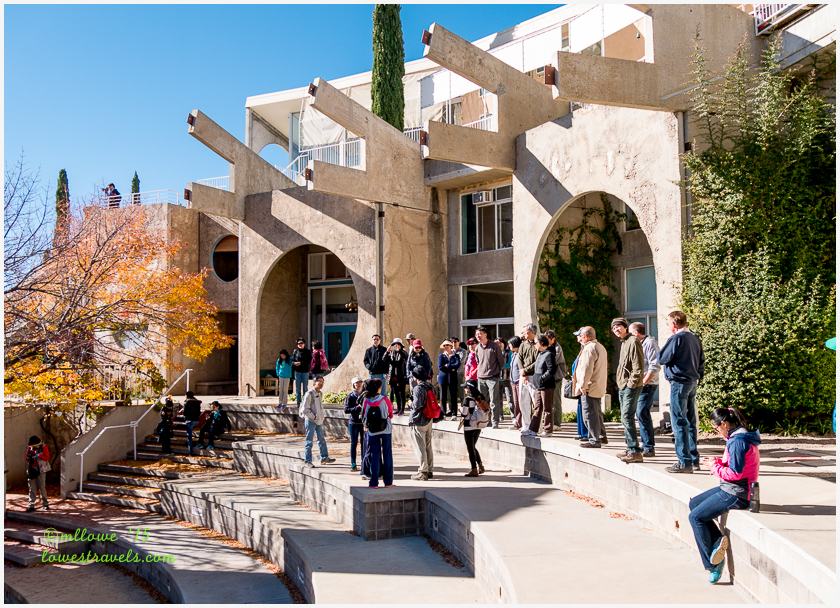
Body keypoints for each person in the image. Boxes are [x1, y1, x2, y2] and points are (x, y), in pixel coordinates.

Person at [689, 407, 761, 584]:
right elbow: (737, 465)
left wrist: (715, 468)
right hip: (732, 487)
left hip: (737, 493)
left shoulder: (737, 441)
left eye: (716, 427)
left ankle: (713, 564)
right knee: (694, 504)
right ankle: (716, 544)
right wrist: (717, 462)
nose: (716, 430)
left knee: (695, 517)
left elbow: (736, 473)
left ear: (724, 424)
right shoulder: (739, 436)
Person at [660, 310, 705, 473]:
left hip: (679, 382)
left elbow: (662, 358)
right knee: (691, 420)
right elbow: (701, 362)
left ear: (673, 323)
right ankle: (694, 459)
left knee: (679, 420)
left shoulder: (676, 338)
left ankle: (684, 462)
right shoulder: (694, 338)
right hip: (692, 381)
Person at [612, 317, 645, 463]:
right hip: (623, 385)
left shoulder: (633, 341)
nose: (616, 330)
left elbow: (638, 366)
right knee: (624, 418)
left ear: (625, 327)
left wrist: (630, 384)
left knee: (627, 416)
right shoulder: (624, 342)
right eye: (614, 328)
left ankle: (634, 451)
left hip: (630, 386)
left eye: (618, 326)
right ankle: (630, 448)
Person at [572, 326, 608, 448]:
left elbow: (586, 369)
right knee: (597, 412)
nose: (578, 339)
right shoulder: (599, 346)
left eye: (580, 336)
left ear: (586, 336)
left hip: (589, 387)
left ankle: (594, 440)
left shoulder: (589, 348)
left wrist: (583, 386)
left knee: (589, 414)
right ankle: (601, 436)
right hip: (597, 385)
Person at [630, 322, 659, 456]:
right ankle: (645, 444)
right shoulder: (639, 344)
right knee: (640, 413)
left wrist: (643, 382)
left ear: (636, 333)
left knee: (642, 412)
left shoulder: (649, 343)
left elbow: (654, 366)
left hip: (648, 385)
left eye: (631, 333)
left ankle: (649, 446)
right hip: (640, 384)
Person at [361, 378, 394, 488]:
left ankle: (373, 482)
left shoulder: (366, 400)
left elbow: (364, 416)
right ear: (377, 388)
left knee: (374, 456)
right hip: (386, 430)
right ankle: (388, 482)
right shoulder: (384, 399)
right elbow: (390, 413)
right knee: (387, 454)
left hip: (372, 432)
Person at [300, 376, 336, 466]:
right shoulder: (309, 394)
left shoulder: (320, 393)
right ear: (314, 382)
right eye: (319, 381)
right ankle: (307, 460)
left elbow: (319, 407)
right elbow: (305, 409)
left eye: (322, 382)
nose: (321, 383)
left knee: (322, 440)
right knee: (309, 441)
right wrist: (314, 417)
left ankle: (324, 458)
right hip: (310, 421)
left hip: (319, 421)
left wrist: (320, 417)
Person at [474, 326, 505, 429]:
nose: (478, 336)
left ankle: (495, 421)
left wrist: (496, 373)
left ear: (485, 334)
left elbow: (501, 362)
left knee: (493, 401)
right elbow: (478, 361)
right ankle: (486, 421)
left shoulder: (494, 346)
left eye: (480, 334)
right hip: (481, 377)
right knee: (483, 402)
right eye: (477, 334)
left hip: (492, 377)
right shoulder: (478, 347)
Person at [409, 367, 436, 481]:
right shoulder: (430, 386)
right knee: (428, 446)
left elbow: (417, 405)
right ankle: (429, 469)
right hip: (429, 418)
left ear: (416, 377)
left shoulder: (418, 388)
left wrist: (410, 403)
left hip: (419, 420)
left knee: (420, 447)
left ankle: (423, 471)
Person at [529, 334, 558, 436]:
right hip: (538, 386)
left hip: (547, 386)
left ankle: (547, 429)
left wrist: (542, 378)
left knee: (547, 408)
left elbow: (552, 370)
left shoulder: (549, 354)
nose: (534, 345)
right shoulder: (540, 354)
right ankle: (533, 429)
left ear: (541, 343)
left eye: (535, 343)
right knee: (537, 408)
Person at [460, 381, 490, 476]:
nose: (464, 389)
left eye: (465, 387)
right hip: (478, 425)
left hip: (469, 426)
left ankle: (474, 469)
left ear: (469, 388)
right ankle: (480, 466)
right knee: (473, 447)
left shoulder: (467, 399)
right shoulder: (480, 397)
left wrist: (461, 411)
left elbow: (464, 414)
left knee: (470, 448)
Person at [517, 324, 539, 436]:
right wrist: (522, 370)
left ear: (531, 332)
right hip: (523, 376)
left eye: (525, 332)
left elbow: (538, 361)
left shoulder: (538, 344)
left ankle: (536, 426)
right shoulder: (523, 344)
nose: (524, 334)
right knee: (523, 401)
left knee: (536, 402)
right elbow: (519, 358)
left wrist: (525, 371)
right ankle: (526, 425)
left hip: (533, 376)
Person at [544, 330, 567, 428]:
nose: (546, 341)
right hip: (548, 377)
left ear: (553, 339)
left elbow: (552, 361)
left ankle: (557, 423)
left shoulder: (557, 348)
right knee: (548, 401)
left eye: (548, 339)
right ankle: (550, 422)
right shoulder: (547, 347)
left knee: (556, 400)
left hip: (556, 377)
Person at [343, 377, 365, 471]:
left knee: (364, 443)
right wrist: (357, 408)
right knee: (354, 443)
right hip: (354, 422)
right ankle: (353, 463)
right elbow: (346, 410)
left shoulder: (365, 395)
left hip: (363, 422)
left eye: (360, 382)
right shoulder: (350, 396)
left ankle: (364, 462)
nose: (359, 384)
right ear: (353, 385)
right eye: (356, 383)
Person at [25, 435, 50, 512]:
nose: (32, 446)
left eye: (33, 445)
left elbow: (47, 457)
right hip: (32, 469)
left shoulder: (44, 447)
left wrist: (38, 455)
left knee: (42, 487)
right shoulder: (30, 447)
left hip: (41, 470)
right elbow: (26, 457)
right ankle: (31, 505)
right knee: (32, 488)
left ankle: (45, 504)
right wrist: (29, 457)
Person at [384, 338, 408, 414]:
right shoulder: (392, 353)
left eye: (398, 344)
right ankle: (398, 408)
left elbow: (405, 358)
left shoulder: (403, 353)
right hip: (393, 376)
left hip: (401, 376)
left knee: (402, 393)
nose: (396, 346)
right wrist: (387, 350)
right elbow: (384, 359)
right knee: (396, 393)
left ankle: (402, 409)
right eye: (395, 344)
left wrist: (400, 349)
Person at [437, 340, 461, 418]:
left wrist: (448, 365)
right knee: (443, 396)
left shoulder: (455, 356)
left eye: (448, 345)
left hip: (453, 378)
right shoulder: (441, 356)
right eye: (444, 345)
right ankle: (443, 412)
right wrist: (451, 367)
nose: (446, 346)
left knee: (453, 396)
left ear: (451, 346)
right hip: (443, 378)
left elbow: (457, 365)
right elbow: (440, 367)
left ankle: (454, 413)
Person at [496, 337, 515, 413]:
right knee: (498, 399)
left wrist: (499, 365)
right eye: (497, 343)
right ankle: (500, 415)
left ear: (504, 343)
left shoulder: (509, 352)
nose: (499, 344)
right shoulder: (494, 352)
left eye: (500, 342)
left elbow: (509, 364)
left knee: (509, 398)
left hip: (507, 378)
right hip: (497, 378)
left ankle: (513, 415)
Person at [291, 338, 312, 405]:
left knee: (305, 388)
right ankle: (298, 402)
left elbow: (309, 361)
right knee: (298, 388)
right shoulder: (295, 351)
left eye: (301, 343)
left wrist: (300, 363)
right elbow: (292, 360)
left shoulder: (307, 351)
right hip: (297, 372)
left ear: (304, 344)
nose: (300, 344)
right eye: (299, 343)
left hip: (305, 371)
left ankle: (305, 402)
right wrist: (294, 363)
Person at [508, 336, 523, 429]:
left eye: (510, 344)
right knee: (516, 403)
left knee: (520, 403)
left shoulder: (520, 355)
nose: (509, 346)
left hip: (519, 382)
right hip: (513, 382)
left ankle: (520, 422)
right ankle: (518, 422)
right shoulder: (513, 354)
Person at [182, 391, 202, 456]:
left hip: (189, 420)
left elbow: (185, 412)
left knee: (189, 436)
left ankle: (190, 452)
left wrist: (184, 415)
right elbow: (199, 412)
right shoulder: (197, 402)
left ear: (187, 395)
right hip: (196, 420)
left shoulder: (187, 402)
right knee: (191, 434)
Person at [452, 337, 468, 409]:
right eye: (452, 342)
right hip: (451, 374)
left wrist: (450, 364)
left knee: (461, 391)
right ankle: (453, 409)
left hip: (459, 373)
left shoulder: (463, 351)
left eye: (455, 341)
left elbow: (461, 361)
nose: (453, 343)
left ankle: (463, 406)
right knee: (452, 392)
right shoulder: (450, 351)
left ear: (458, 342)